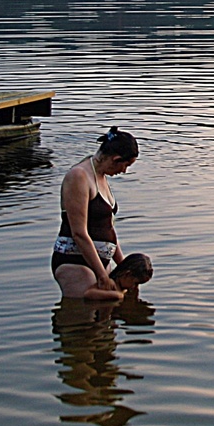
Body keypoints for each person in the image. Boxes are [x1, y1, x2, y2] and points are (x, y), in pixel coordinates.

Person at [52, 128, 142, 301]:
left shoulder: (101, 176)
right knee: (83, 315)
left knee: (107, 320)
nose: (124, 171)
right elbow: (79, 232)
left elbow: (108, 228)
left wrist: (122, 266)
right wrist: (102, 275)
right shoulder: (79, 176)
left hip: (100, 262)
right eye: (125, 165)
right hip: (75, 261)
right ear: (115, 159)